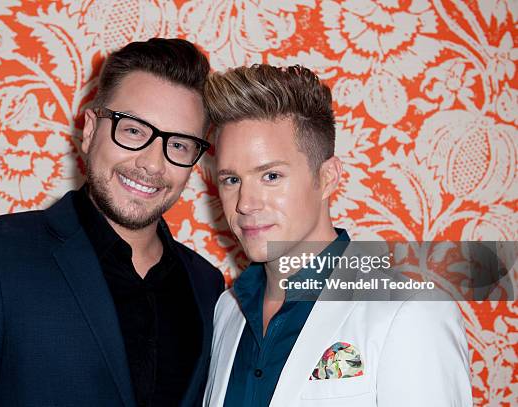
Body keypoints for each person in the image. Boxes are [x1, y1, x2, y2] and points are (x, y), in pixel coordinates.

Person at [0, 38, 225, 407]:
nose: (153, 164)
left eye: (180, 145)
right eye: (134, 130)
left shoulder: (207, 285)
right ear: (90, 130)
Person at [202, 64, 472, 406]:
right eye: (232, 180)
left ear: (327, 177)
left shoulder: (411, 313)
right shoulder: (227, 310)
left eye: (270, 176)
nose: (245, 204)